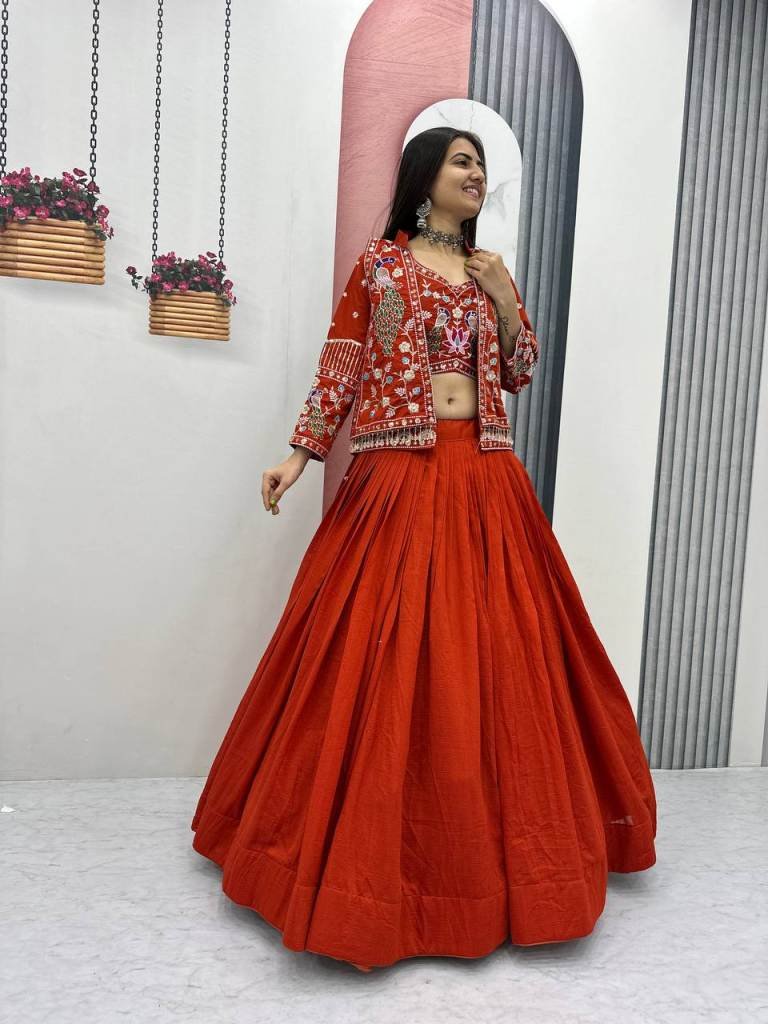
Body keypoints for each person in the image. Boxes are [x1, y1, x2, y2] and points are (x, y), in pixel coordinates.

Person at [191, 127, 658, 973]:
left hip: (484, 475)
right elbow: (341, 363)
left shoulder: (488, 271)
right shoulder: (380, 266)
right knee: (373, 655)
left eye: (481, 165)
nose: (477, 175)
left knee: (501, 658)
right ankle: (353, 867)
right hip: (398, 474)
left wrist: (505, 300)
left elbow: (519, 370)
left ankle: (501, 873)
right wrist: (299, 455)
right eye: (462, 161)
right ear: (425, 177)